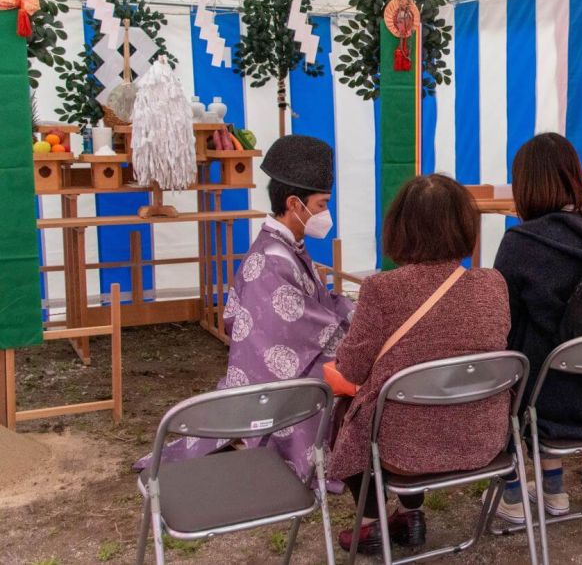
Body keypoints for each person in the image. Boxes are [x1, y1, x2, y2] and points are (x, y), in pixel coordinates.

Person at [134, 135, 355, 491]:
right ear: (294, 203)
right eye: (322, 204)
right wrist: (352, 324)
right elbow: (297, 328)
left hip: (289, 349)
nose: (325, 214)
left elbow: (313, 305)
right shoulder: (271, 259)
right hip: (275, 369)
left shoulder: (285, 246)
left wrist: (347, 308)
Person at [329, 174, 512, 554]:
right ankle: (410, 516)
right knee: (411, 396)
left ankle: (370, 523)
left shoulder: (383, 289)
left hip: (406, 447)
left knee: (351, 408)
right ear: (464, 225)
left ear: (400, 227)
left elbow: (350, 369)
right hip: (483, 437)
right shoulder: (493, 283)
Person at [492, 132, 582, 523]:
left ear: (527, 184)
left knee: (499, 366)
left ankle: (512, 493)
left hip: (548, 400)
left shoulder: (521, 242)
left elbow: (499, 321)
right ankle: (552, 489)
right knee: (544, 356)